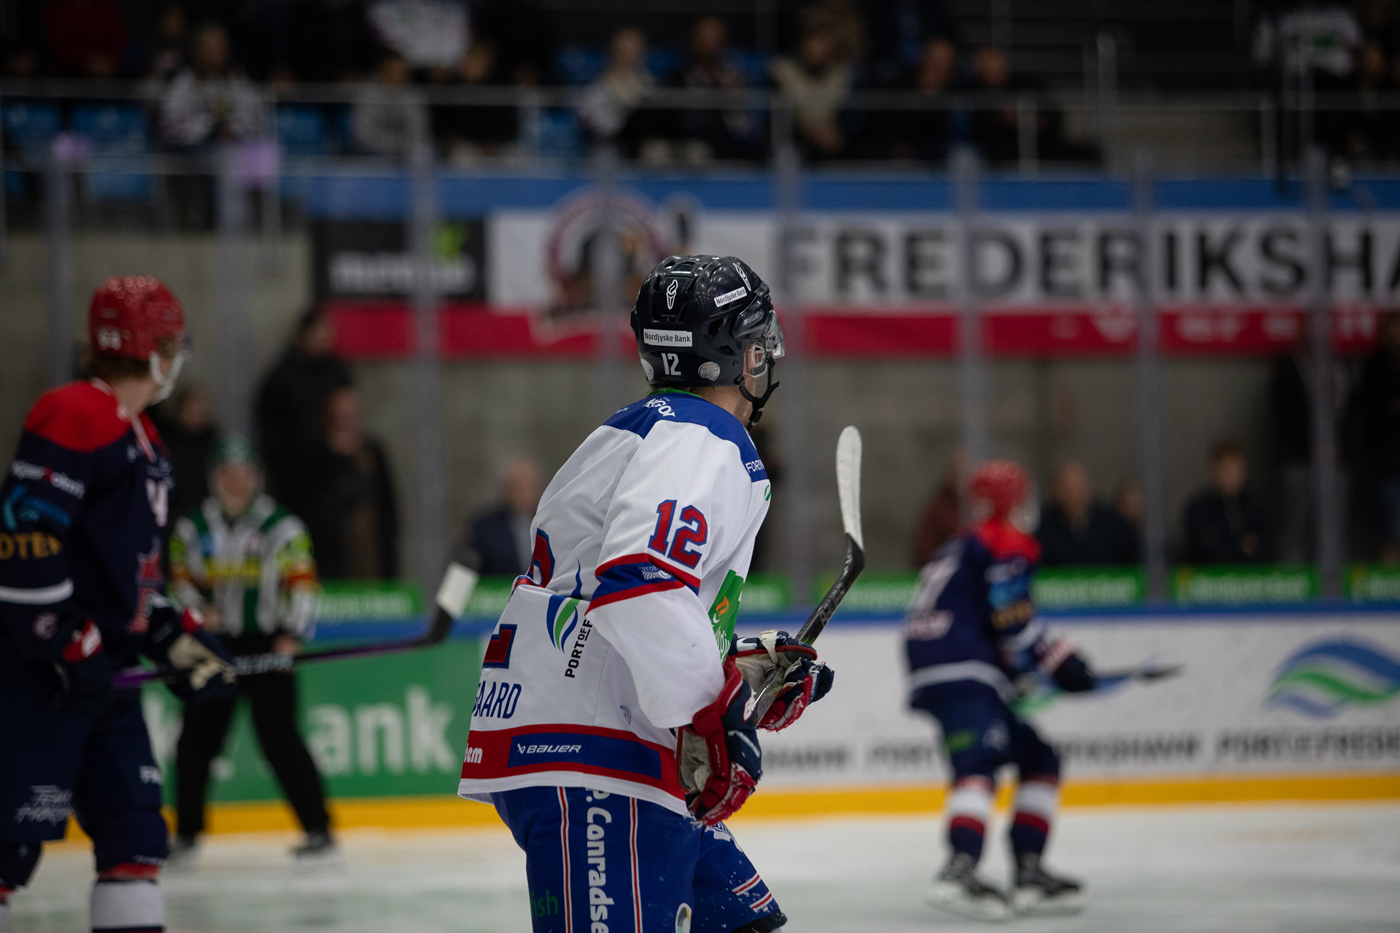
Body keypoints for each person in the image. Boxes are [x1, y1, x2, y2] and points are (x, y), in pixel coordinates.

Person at [458, 254, 833, 932]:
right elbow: (638, 580)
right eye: (756, 338)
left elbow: (620, 593)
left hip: (598, 740)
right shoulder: (702, 434)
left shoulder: (639, 429)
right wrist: (714, 709)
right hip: (599, 753)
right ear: (731, 354)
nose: (766, 353)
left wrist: (741, 672)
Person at [0, 276, 236, 933]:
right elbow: (23, 539)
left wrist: (176, 640)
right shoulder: (74, 411)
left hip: (106, 678)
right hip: (38, 677)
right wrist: (67, 641)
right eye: (172, 344)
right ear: (155, 349)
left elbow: (132, 580)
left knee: (136, 840)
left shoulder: (147, 441)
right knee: (8, 849)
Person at [905, 460, 1096, 920]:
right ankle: (959, 869)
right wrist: (1065, 662)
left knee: (1038, 756)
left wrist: (1015, 669)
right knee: (979, 761)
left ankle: (1028, 870)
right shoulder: (1002, 542)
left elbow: (987, 620)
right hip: (964, 670)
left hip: (943, 668)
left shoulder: (960, 546)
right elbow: (1014, 621)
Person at [168, 435, 333, 863]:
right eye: (228, 473)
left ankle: (318, 829)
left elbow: (303, 583)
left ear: (256, 477)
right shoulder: (193, 527)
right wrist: (198, 614)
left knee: (280, 739)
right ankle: (186, 833)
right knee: (195, 741)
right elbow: (178, 580)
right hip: (213, 645)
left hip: (267, 641)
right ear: (214, 477)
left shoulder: (282, 526)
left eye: (244, 473)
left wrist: (292, 635)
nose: (236, 482)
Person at [254, 308, 353, 520]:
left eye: (326, 337)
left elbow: (349, 414)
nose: (323, 343)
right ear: (303, 336)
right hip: (294, 476)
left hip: (333, 475)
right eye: (317, 336)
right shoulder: (281, 378)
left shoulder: (337, 373)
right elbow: (268, 429)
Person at [305, 387, 399, 580]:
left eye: (351, 414)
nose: (346, 421)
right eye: (341, 414)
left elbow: (387, 507)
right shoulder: (315, 457)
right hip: (332, 554)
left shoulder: (372, 453)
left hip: (370, 551)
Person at [1183, 440, 1272, 564]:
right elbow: (1205, 551)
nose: (1231, 474)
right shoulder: (1198, 510)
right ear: (1213, 468)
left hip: (1252, 575)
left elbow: (1267, 548)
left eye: (1236, 467)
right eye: (1225, 467)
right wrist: (1241, 549)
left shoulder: (1255, 507)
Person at [770, 28, 853, 160]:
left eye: (821, 52)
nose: (816, 57)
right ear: (801, 49)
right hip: (795, 136)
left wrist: (828, 129)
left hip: (833, 135)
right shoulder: (784, 70)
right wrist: (812, 131)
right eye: (811, 51)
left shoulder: (841, 74)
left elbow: (845, 112)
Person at [451, 458, 542, 576]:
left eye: (529, 488)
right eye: (518, 487)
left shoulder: (545, 523)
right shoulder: (485, 527)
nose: (524, 494)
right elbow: (465, 563)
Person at [1035, 461, 1136, 566]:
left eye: (1079, 488)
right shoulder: (1043, 527)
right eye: (1068, 489)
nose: (1074, 496)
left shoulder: (1112, 524)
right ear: (1056, 492)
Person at [151, 384, 219, 525]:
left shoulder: (213, 443)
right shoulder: (165, 445)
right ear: (179, 410)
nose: (196, 416)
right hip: (173, 514)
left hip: (206, 516)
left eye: (201, 411)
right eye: (191, 410)